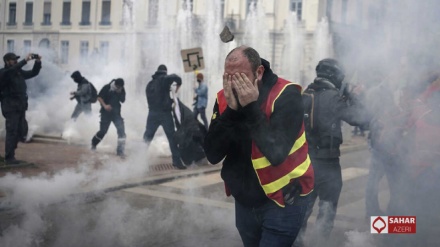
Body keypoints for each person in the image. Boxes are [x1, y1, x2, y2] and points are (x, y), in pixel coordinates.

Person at [204, 46, 314, 247]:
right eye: (228, 77)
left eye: (241, 77)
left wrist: (251, 108)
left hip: (284, 200)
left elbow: (276, 152)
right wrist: (231, 112)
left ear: (259, 72)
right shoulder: (224, 97)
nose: (234, 84)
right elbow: (212, 153)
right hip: (245, 202)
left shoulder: (286, 94)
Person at [295, 58, 367, 247]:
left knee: (303, 210)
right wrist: (351, 95)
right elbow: (362, 119)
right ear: (335, 76)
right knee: (326, 211)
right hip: (328, 163)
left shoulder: (305, 93)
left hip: (305, 162)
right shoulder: (334, 97)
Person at [0, 52, 41, 164]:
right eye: (13, 60)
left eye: (16, 59)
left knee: (22, 130)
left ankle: (11, 153)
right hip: (10, 106)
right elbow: (11, 71)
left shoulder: (18, 72)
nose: (16, 61)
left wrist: (37, 62)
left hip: (20, 106)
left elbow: (33, 73)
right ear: (7, 61)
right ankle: (9, 157)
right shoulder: (4, 72)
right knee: (12, 131)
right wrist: (25, 60)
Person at [143, 64, 186, 170]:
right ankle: (177, 162)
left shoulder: (149, 84)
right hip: (164, 114)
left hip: (152, 114)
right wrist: (178, 85)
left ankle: (137, 160)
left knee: (147, 138)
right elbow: (176, 77)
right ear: (165, 72)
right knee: (172, 138)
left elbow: (155, 99)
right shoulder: (163, 79)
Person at [91, 78, 126, 157]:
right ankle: (93, 144)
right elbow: (99, 97)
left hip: (116, 114)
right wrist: (105, 106)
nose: (119, 88)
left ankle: (120, 151)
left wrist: (119, 93)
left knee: (122, 133)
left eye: (120, 87)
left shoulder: (121, 89)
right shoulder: (107, 87)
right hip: (105, 113)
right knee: (103, 131)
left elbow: (123, 100)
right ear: (115, 84)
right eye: (118, 87)